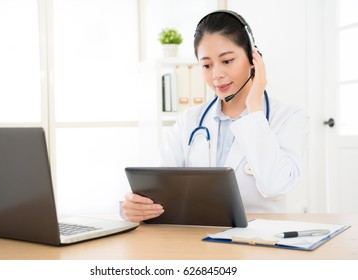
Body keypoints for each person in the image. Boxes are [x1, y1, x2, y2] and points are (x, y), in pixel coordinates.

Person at [122, 10, 309, 222]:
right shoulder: (189, 121)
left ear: (253, 59)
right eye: (207, 65)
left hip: (259, 241)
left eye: (227, 61)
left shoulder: (289, 118)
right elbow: (157, 190)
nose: (216, 75)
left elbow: (274, 185)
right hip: (197, 237)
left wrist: (254, 109)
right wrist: (135, 207)